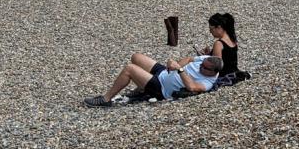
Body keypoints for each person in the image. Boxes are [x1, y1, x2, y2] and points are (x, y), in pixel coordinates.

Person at [86, 54, 222, 106]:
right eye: (202, 64)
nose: (200, 67)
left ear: (213, 72)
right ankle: (141, 89)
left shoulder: (207, 83)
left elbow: (192, 87)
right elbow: (190, 59)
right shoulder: (206, 60)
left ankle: (106, 99)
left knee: (129, 69)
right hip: (164, 73)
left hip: (161, 88)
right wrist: (176, 65)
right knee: (136, 57)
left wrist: (180, 70)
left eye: (204, 68)